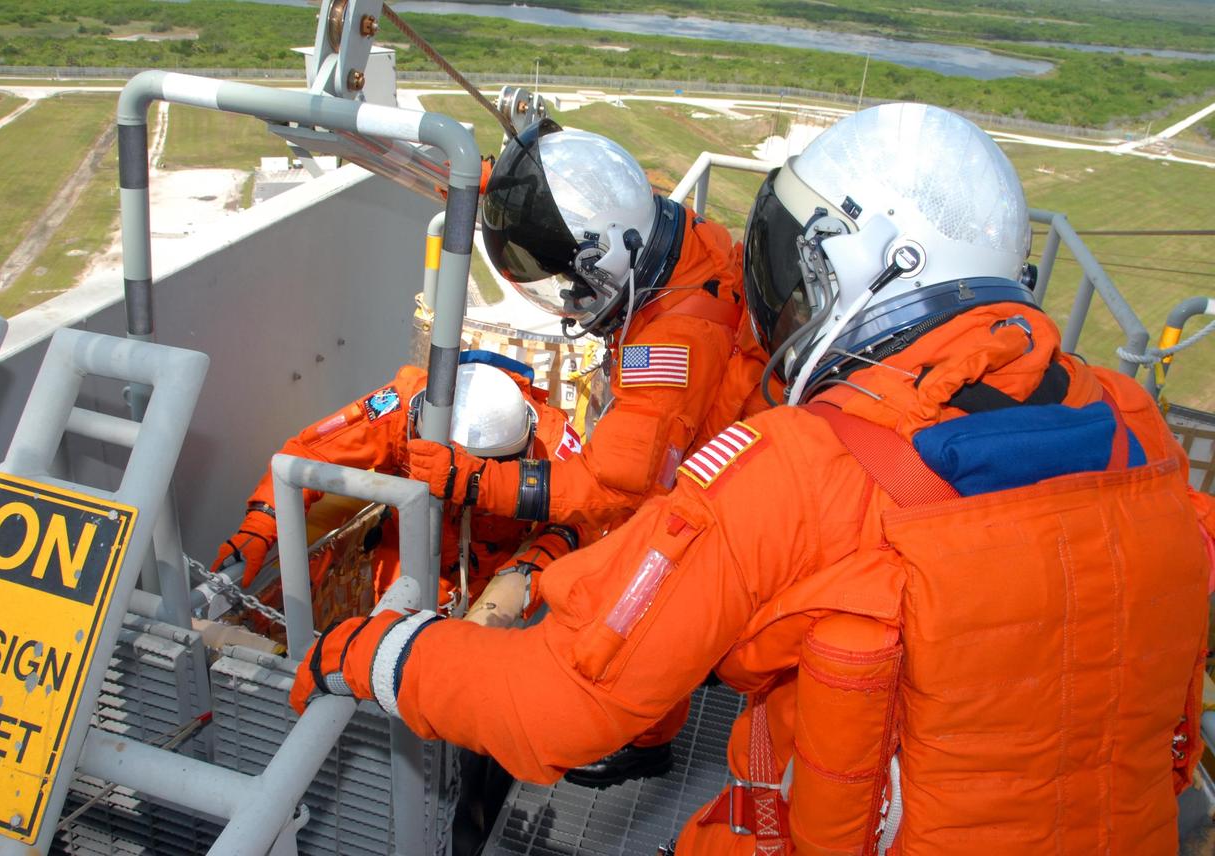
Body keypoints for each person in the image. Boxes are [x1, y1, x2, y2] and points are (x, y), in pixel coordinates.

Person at [289, 102, 1215, 853]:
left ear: (866, 267)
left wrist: (371, 651)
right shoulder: (1137, 428)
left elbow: (557, 704)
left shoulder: (799, 470)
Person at [406, 121, 775, 785]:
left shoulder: (668, 354)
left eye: (571, 286)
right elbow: (597, 198)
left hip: (707, 486)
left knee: (634, 606)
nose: (572, 305)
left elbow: (613, 486)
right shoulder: (684, 246)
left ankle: (644, 739)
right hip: (729, 440)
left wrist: (476, 482)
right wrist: (515, 200)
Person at [212, 353, 585, 623]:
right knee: (390, 631)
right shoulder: (400, 406)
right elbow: (309, 453)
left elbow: (588, 518)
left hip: (500, 575)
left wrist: (526, 575)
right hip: (406, 555)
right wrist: (261, 522)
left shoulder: (555, 445)